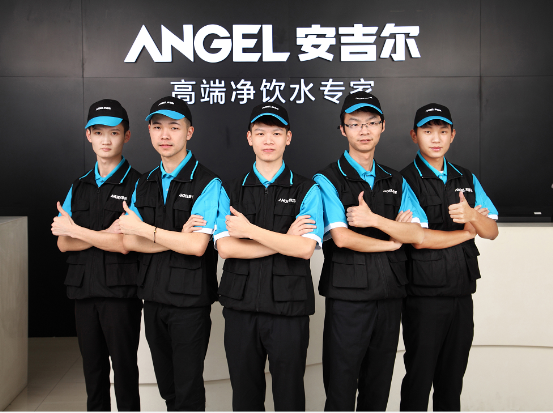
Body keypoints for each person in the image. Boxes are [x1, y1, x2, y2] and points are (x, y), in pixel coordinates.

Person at [313, 91, 427, 411]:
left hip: (390, 295)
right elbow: (342, 237)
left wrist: (374, 220)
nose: (364, 130)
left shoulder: (396, 180)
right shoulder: (327, 178)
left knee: (377, 390)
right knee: (341, 389)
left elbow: (417, 233)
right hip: (348, 299)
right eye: (355, 123)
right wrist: (392, 240)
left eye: (371, 122)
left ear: (382, 126)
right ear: (343, 129)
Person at [214, 103, 324, 411]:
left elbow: (304, 249)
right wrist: (284, 239)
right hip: (240, 309)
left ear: (288, 137)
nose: (268, 140)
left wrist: (250, 230)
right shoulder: (229, 190)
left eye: (276, 133)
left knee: (289, 398)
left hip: (289, 310)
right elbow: (226, 248)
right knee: (245, 398)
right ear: (249, 137)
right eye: (260, 133)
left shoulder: (307, 190)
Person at [118, 96, 221, 411]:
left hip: (190, 303)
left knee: (188, 390)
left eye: (174, 127)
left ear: (189, 132)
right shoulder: (143, 183)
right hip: (153, 298)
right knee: (168, 389)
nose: (165, 135)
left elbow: (196, 246)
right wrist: (175, 236)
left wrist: (145, 230)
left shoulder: (208, 183)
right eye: (157, 127)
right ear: (149, 131)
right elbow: (128, 241)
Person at [399, 103, 498, 411]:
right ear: (414, 136)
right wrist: (468, 231)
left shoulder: (466, 177)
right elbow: (418, 239)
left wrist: (472, 216)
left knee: (452, 383)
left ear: (453, 135)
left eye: (443, 131)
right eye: (428, 131)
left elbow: (491, 230)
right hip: (423, 298)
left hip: (461, 294)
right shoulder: (404, 180)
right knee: (419, 380)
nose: (436, 138)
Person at [51, 99, 142, 411]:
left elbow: (125, 243)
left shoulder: (139, 184)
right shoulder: (79, 186)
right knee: (93, 375)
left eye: (114, 133)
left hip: (120, 294)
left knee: (125, 374)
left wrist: (77, 231)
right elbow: (63, 243)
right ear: (88, 135)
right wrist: (101, 235)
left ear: (126, 136)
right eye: (99, 132)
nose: (106, 140)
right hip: (84, 292)